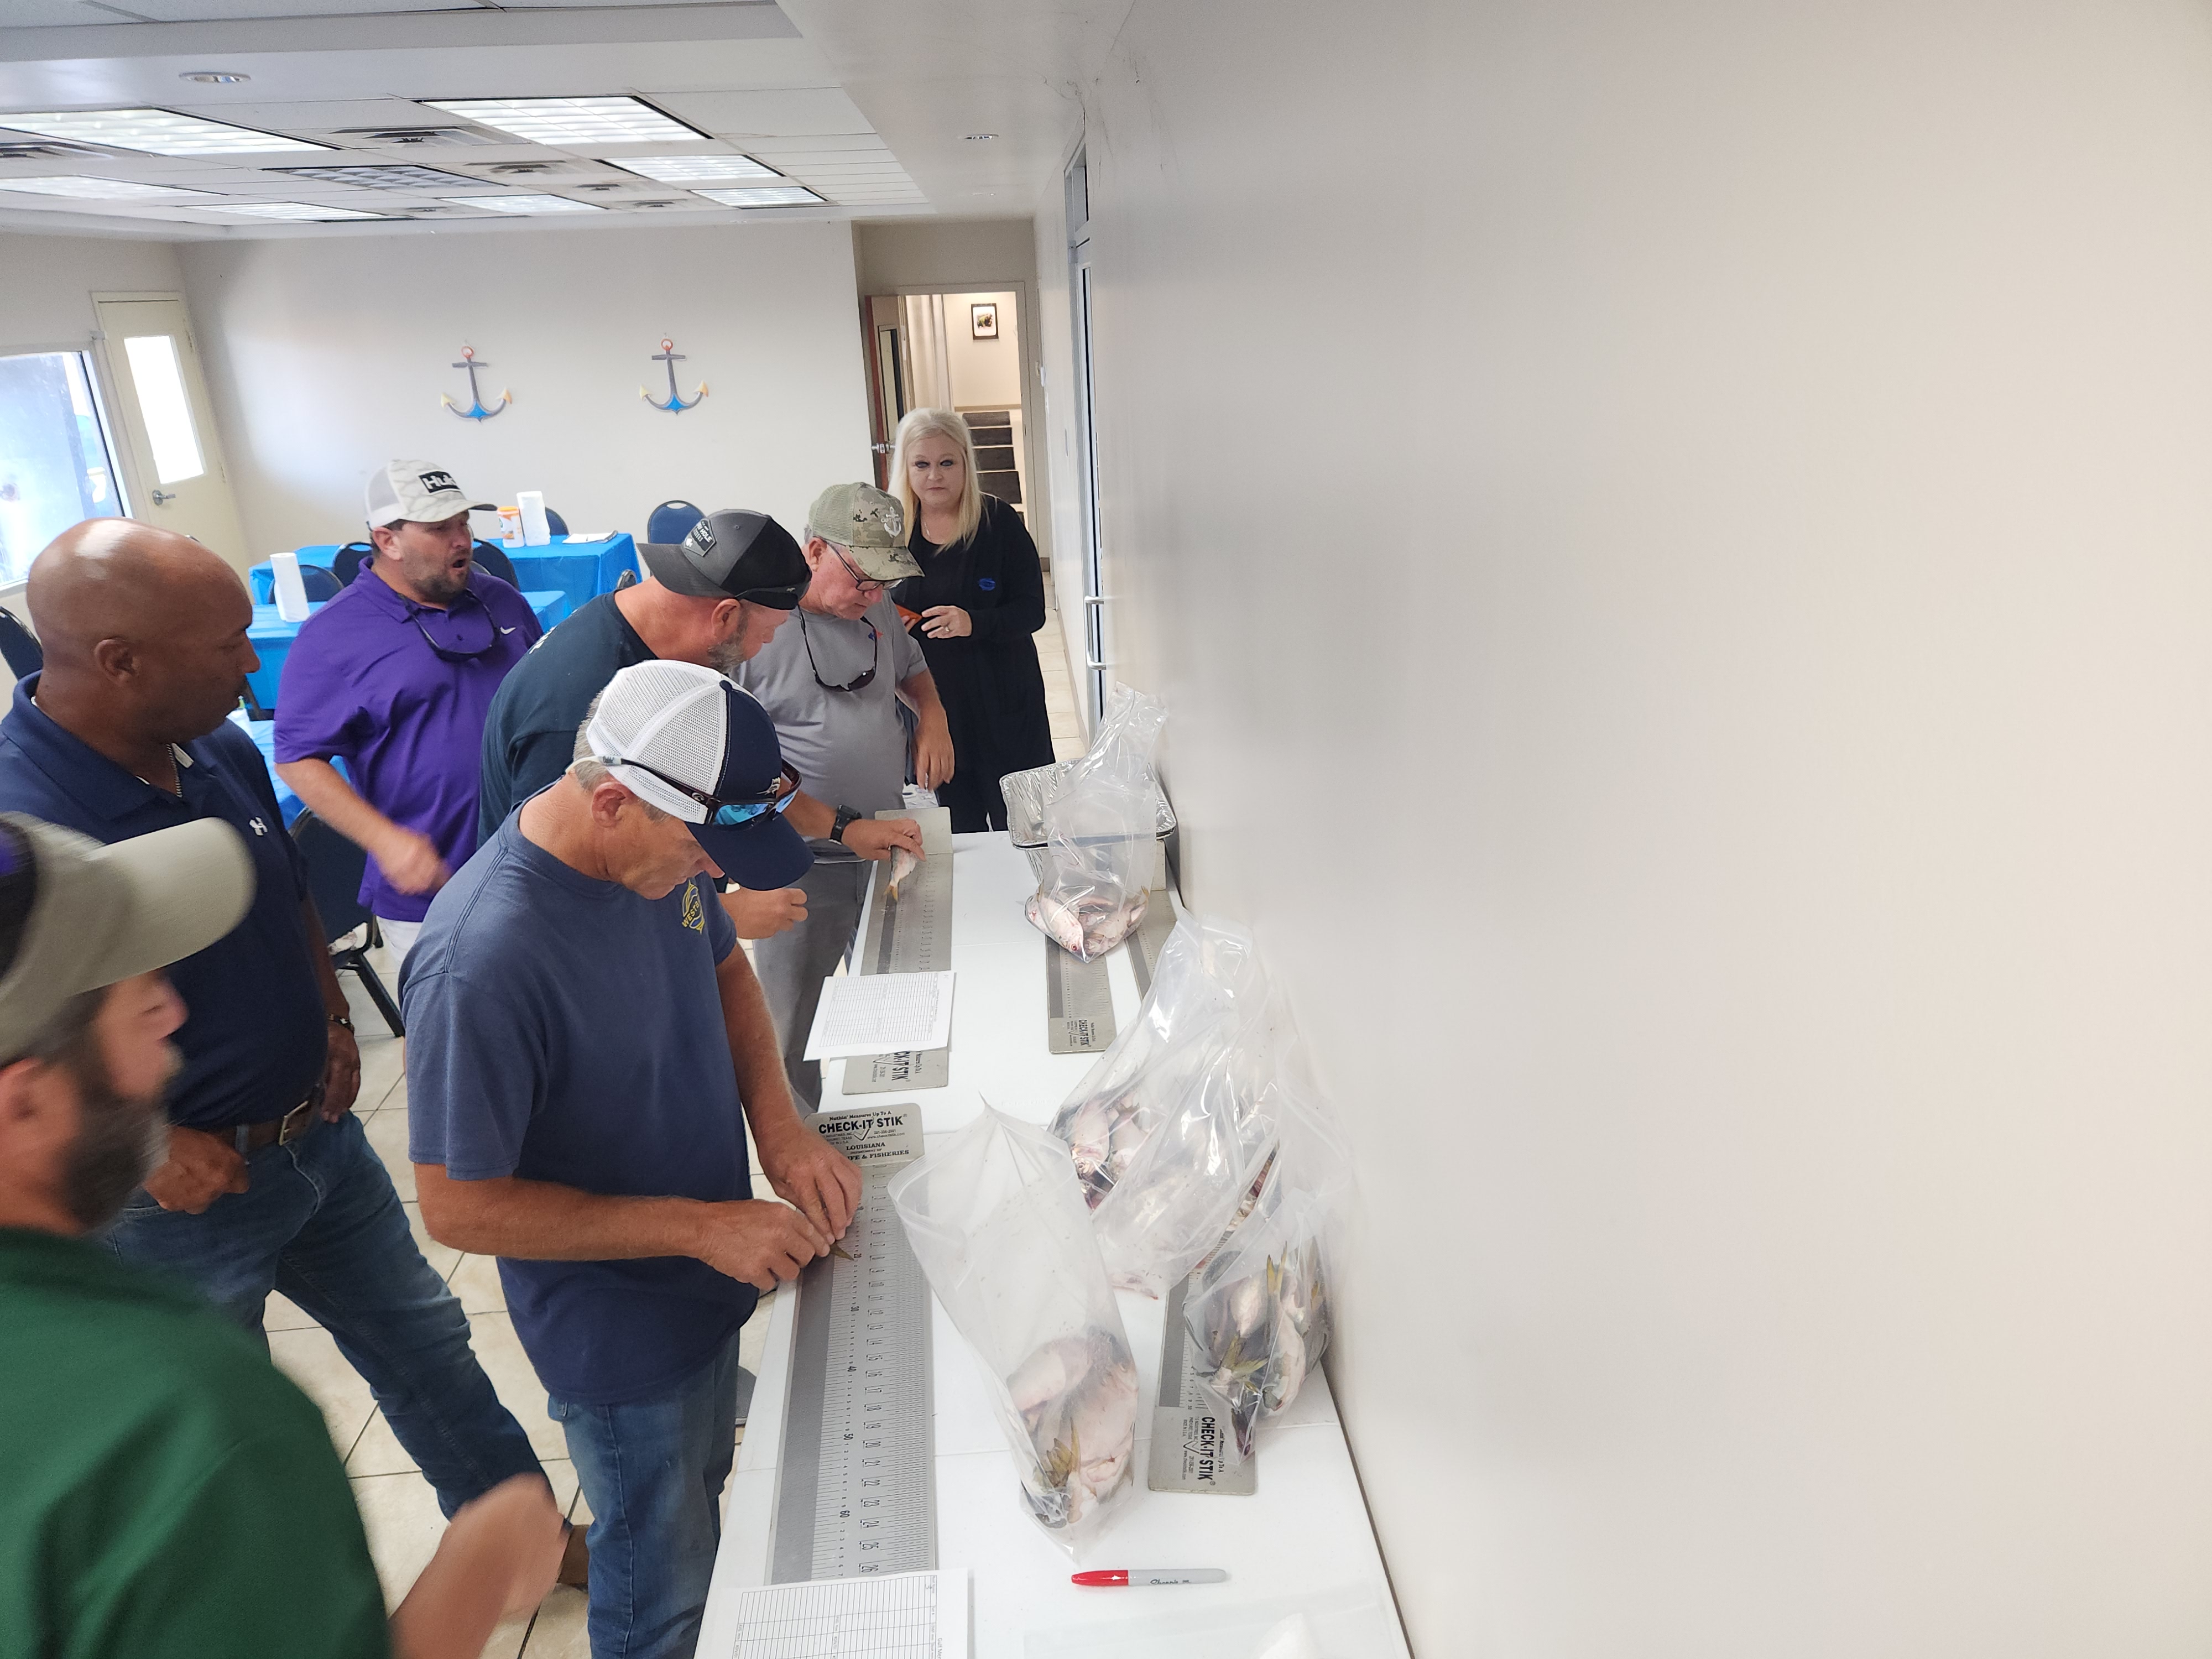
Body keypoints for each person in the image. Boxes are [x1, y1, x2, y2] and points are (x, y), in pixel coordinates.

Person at [0, 519, 546, 1523]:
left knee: (426, 1343)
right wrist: (158, 1145)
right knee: (224, 1434)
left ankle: (523, 1538)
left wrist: (335, 1017)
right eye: (226, 646)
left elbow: (287, 888)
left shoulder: (209, 747)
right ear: (119, 662)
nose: (255, 666)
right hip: (176, 1203)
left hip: (318, 1141)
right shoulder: (20, 823)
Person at [0, 810, 568, 1659]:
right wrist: (482, 1561)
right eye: (133, 996)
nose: (172, 1011)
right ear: (26, 1104)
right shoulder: (184, 1434)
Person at [409, 659, 862, 1659]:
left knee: (697, 1515)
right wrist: (697, 1227)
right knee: (655, 1586)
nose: (714, 877)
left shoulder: (652, 860)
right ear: (614, 799)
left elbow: (727, 968)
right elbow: (455, 1208)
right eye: (704, 852)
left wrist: (779, 1131)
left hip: (702, 1279)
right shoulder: (481, 961)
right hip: (616, 1335)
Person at [476, 507, 914, 940]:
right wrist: (717, 914)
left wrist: (842, 827)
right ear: (724, 616)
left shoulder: (652, 642)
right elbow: (553, 891)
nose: (762, 650)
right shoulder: (577, 708)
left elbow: (734, 787)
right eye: (767, 634)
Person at [734, 482, 955, 1107]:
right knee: (789, 1028)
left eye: (887, 583)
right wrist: (835, 828)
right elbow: (740, 766)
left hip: (886, 845)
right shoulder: (758, 629)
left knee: (898, 1007)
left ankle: (892, 1126)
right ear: (812, 552)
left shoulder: (874, 607)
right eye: (862, 579)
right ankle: (805, 1148)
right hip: (798, 862)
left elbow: (911, 667)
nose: (876, 596)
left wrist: (932, 718)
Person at [274, 460, 544, 968]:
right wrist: (384, 841)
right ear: (388, 540)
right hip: (434, 896)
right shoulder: (334, 636)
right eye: (439, 529)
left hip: (536, 868)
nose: (461, 540)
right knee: (449, 1044)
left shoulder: (502, 601)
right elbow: (295, 758)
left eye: (463, 523)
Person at [887, 408, 1056, 831]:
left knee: (1024, 826)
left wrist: (973, 622)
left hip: (1007, 703)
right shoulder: (894, 534)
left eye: (947, 463)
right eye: (921, 465)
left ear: (966, 464)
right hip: (938, 709)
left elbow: (1032, 611)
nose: (934, 476)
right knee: (959, 828)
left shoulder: (999, 523)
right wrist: (895, 622)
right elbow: (870, 610)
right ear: (905, 470)